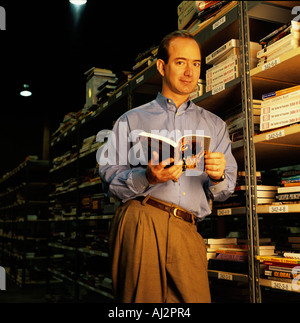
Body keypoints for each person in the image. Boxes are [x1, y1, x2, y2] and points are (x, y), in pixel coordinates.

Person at [98, 30, 237, 303]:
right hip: (141, 222)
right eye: (180, 62)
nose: (190, 72)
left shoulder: (215, 126)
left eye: (196, 64)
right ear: (162, 66)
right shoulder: (130, 120)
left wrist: (219, 176)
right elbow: (108, 180)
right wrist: (146, 177)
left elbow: (224, 191)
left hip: (188, 229)